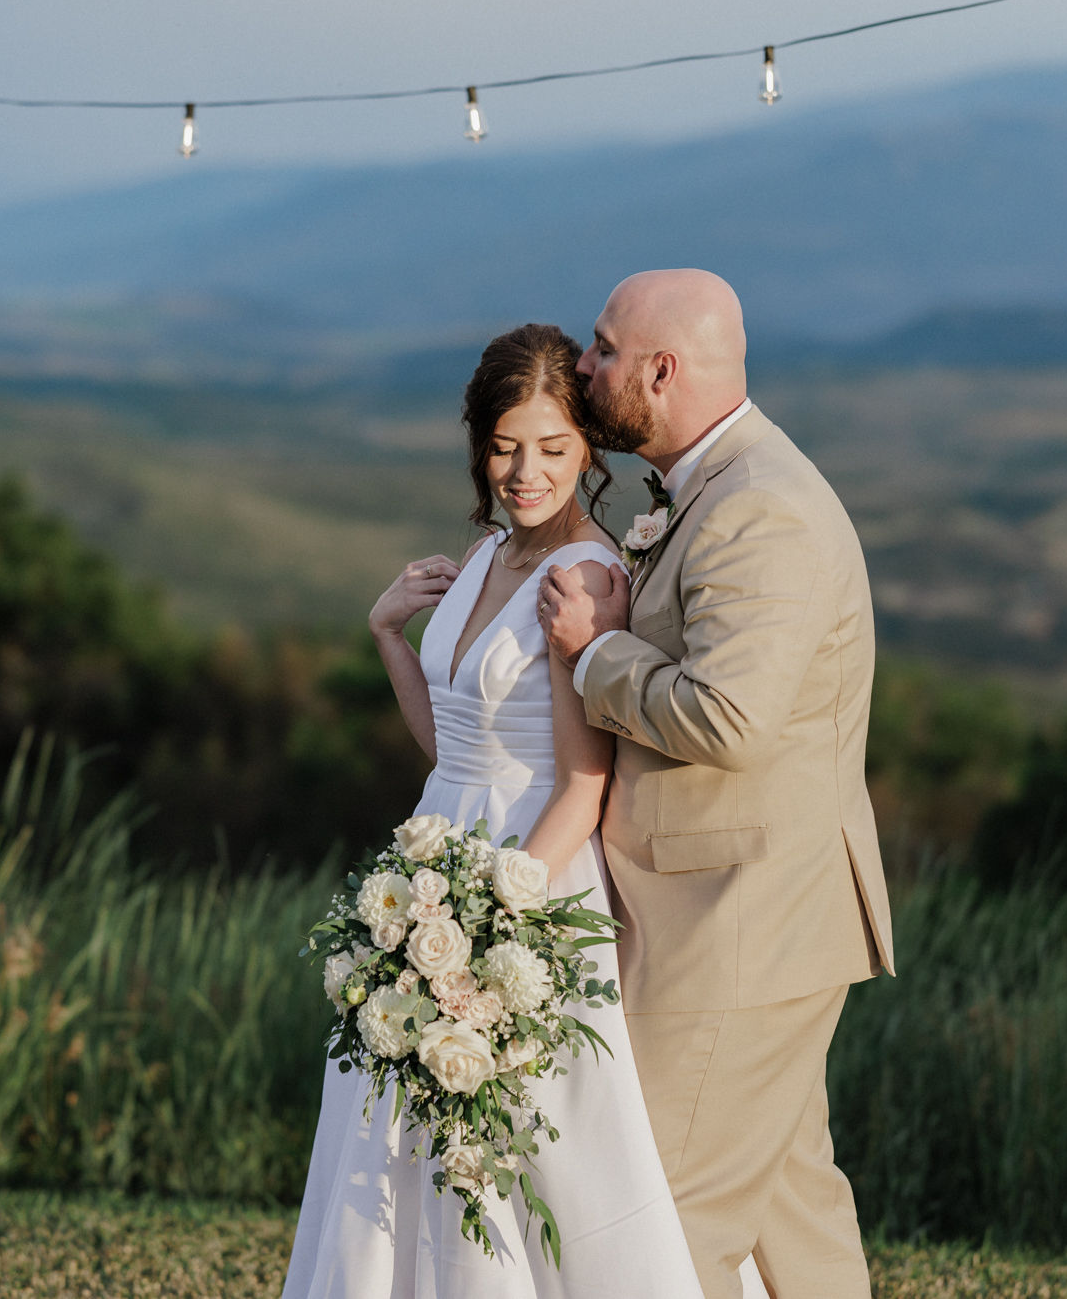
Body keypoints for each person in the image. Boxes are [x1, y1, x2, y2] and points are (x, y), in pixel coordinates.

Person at [282, 323, 763, 1299]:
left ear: (585, 447)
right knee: (397, 1130)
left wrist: (487, 926)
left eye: (550, 447)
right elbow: (450, 746)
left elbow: (580, 789)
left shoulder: (581, 578)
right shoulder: (484, 553)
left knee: (509, 1149)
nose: (524, 471)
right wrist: (386, 632)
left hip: (524, 885)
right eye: (504, 447)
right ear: (477, 446)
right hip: (433, 866)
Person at [536, 270, 896, 1299]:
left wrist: (594, 653)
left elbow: (727, 719)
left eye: (603, 349)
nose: (583, 364)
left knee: (664, 1221)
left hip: (740, 916)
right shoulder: (709, 487)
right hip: (741, 908)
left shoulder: (757, 508)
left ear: (662, 369)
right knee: (794, 1223)